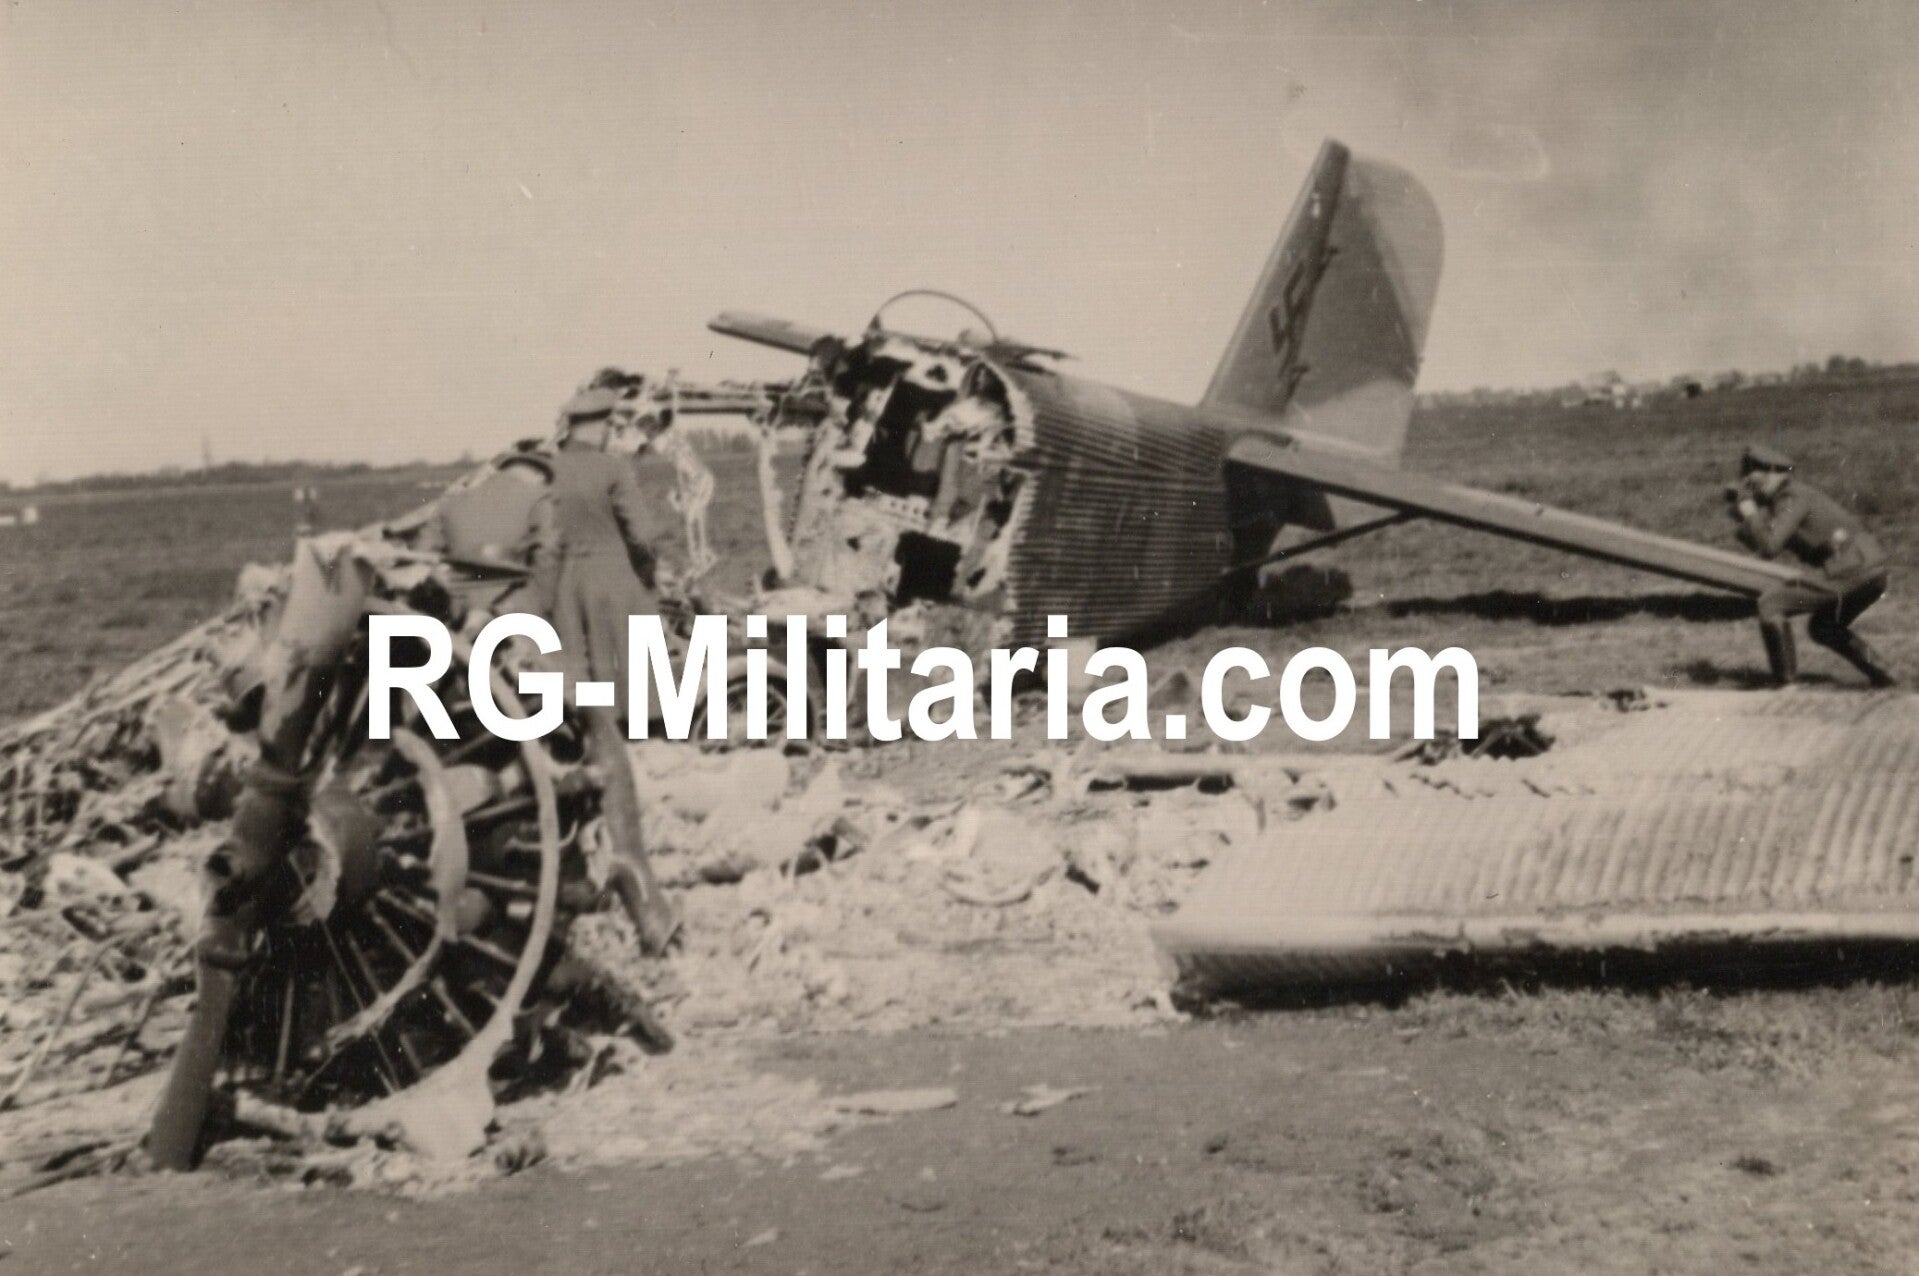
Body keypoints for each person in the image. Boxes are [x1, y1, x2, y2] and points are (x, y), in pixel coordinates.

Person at [547, 386, 678, 953]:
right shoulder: (613, 467)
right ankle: (635, 739)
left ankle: (595, 737)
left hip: (565, 580)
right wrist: (650, 562)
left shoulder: (548, 468)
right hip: (609, 573)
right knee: (630, 652)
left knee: (580, 659)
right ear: (600, 424)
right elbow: (641, 533)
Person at [1728, 444, 1896, 687]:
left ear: (1774, 472)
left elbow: (1770, 547)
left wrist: (1751, 513)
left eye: (1753, 477)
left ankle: (1787, 686)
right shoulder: (1790, 498)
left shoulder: (1792, 497)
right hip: (1869, 570)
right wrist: (1745, 516)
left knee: (1770, 604)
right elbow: (1765, 545)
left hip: (1851, 569)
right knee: (1823, 627)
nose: (1748, 483)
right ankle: (1885, 673)